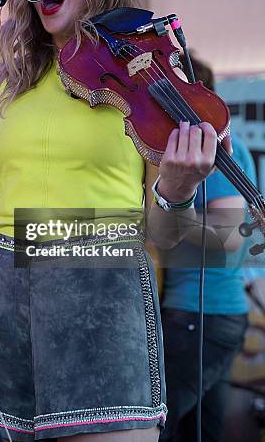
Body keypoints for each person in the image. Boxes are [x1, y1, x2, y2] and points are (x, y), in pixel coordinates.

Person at [0, 0, 225, 442]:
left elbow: (166, 237)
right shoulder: (6, 81)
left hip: (101, 293)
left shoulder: (147, 81)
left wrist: (176, 192)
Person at [159, 54, 257, 442]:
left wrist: (156, 222)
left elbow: (226, 237)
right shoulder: (215, 149)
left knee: (154, 427)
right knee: (198, 432)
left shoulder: (209, 150)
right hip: (211, 316)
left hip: (199, 317)